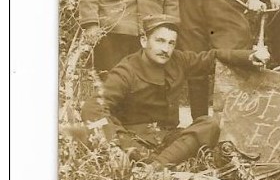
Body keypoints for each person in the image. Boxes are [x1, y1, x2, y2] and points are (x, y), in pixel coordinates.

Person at [67, 14, 268, 168]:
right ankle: (155, 168)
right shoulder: (126, 71)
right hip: (135, 141)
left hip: (168, 139)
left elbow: (211, 57)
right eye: (160, 41)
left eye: (171, 43)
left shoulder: (177, 60)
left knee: (210, 124)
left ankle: (154, 170)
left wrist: (249, 56)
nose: (166, 49)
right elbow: (93, 108)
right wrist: (117, 144)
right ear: (144, 41)